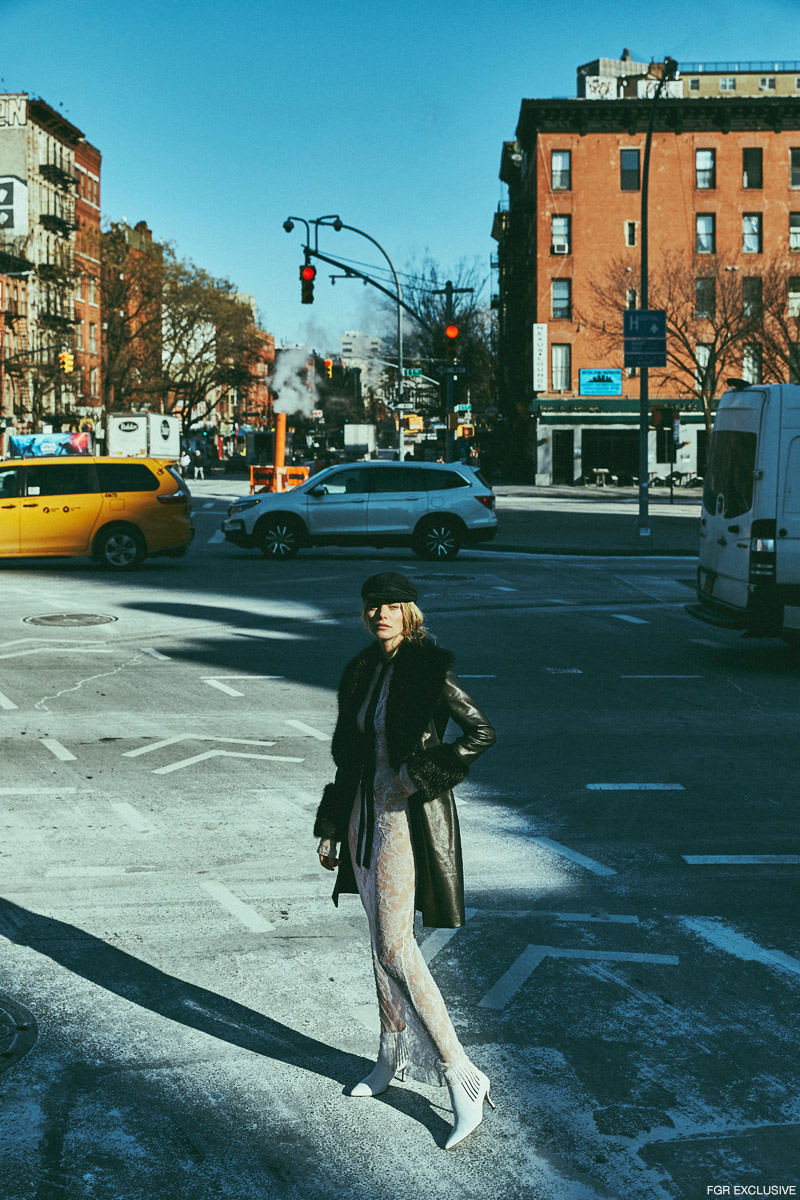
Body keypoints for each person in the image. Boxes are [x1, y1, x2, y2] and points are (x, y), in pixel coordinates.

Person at [314, 572, 496, 1149]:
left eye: (392, 605)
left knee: (396, 945)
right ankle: (389, 1056)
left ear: (410, 611)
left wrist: (423, 774)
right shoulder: (362, 669)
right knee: (377, 942)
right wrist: (331, 827)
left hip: (406, 821)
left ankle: (460, 1076)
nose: (380, 614)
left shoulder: (428, 667)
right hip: (362, 817)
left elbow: (480, 731)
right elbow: (351, 757)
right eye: (372, 605)